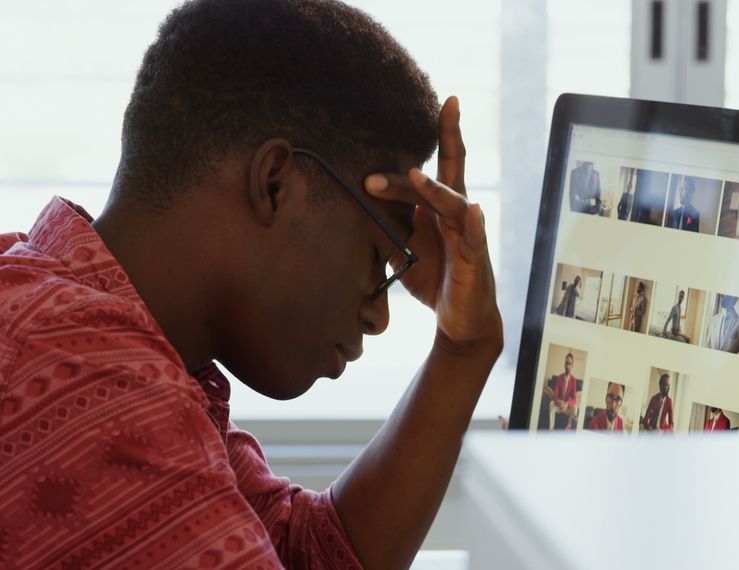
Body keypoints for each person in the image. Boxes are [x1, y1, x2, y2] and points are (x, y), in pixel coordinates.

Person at [0, 2, 503, 568]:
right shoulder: (100, 390)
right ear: (273, 183)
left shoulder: (68, 312)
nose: (379, 316)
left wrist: (463, 349)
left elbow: (303, 554)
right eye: (376, 257)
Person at [546, 352, 579, 430]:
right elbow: (555, 396)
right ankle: (551, 429)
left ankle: (568, 427)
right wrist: (559, 402)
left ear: (572, 366)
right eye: (567, 363)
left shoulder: (574, 380)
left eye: (570, 363)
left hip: (567, 408)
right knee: (551, 404)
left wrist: (567, 404)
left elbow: (574, 398)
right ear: (564, 364)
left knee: (575, 408)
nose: (568, 365)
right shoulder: (559, 378)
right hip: (559, 406)